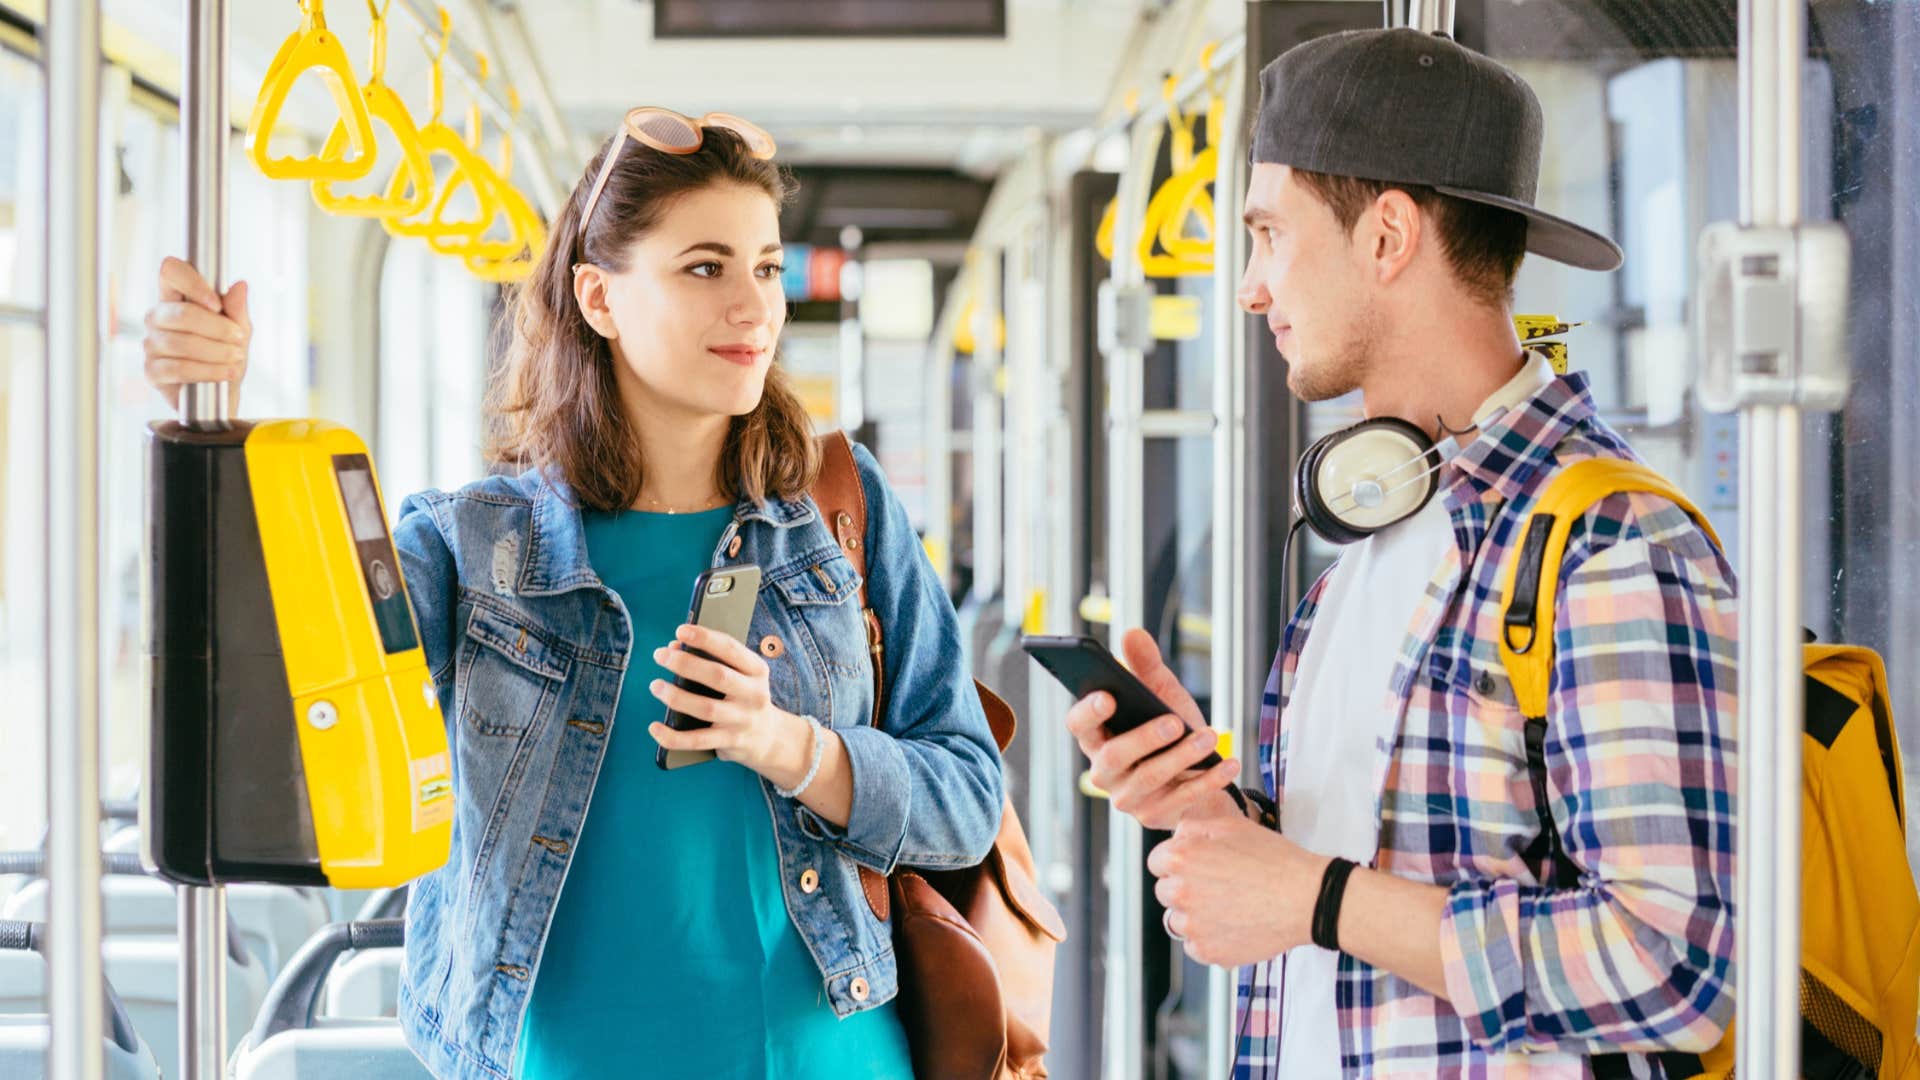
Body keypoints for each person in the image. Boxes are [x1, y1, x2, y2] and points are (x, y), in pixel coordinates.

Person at [142, 108, 1004, 1080]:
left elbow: (966, 798)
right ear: (599, 297)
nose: (756, 309)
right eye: (706, 267)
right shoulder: (473, 548)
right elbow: (283, 691)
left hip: (824, 1056)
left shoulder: (842, 512)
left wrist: (792, 746)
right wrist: (210, 419)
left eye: (765, 266)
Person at [1066, 29, 1737, 1076]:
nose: (1249, 287)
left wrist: (1316, 902)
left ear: (1386, 237)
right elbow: (1372, 868)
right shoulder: (1380, 525)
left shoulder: (1606, 543)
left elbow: (1669, 967)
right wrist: (1212, 807)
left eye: (1269, 236)